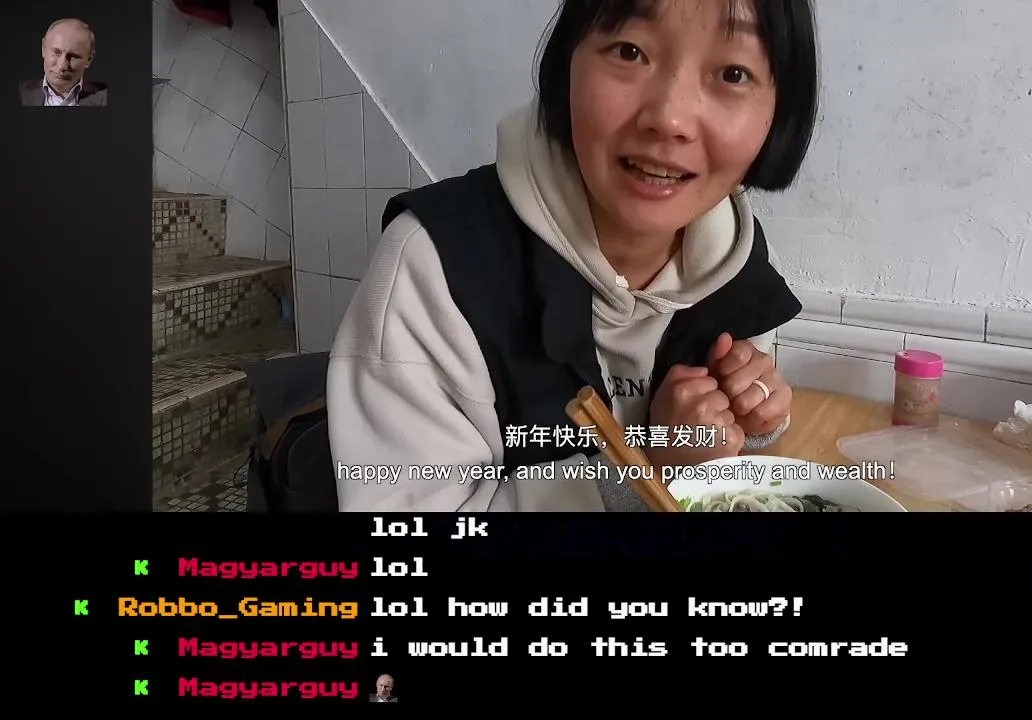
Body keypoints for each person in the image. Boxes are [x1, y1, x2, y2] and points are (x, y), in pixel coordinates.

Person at [329, 0, 818, 511]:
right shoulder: (435, 264)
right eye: (629, 51)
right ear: (566, 65)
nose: (670, 118)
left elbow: (726, 461)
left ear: (778, 114)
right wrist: (644, 471)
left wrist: (752, 420)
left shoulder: (730, 261)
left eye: (733, 73)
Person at [19, 18, 107, 107]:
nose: (62, 66)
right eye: (56, 52)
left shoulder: (105, 96)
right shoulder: (21, 93)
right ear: (43, 48)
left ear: (89, 60)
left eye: (73, 56)